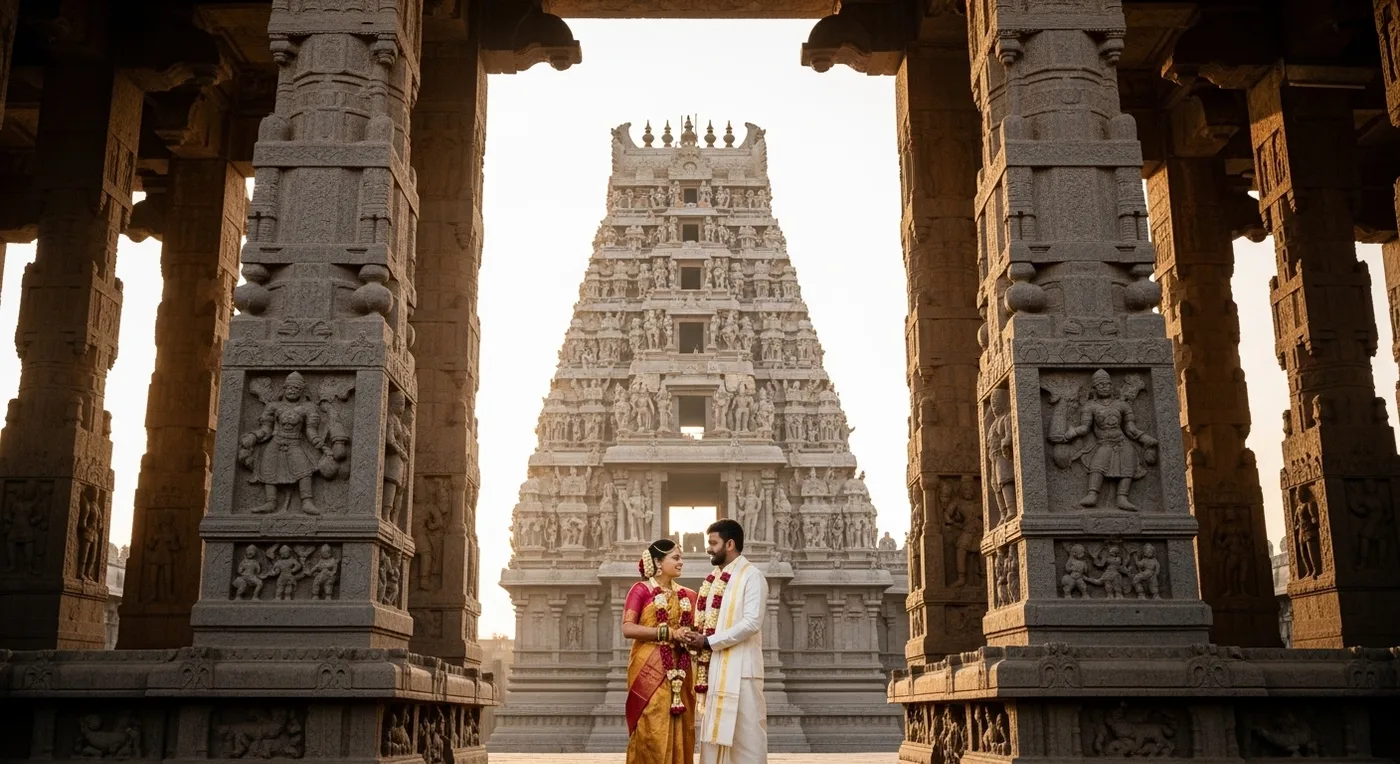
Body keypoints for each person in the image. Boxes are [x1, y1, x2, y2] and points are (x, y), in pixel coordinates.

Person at [683, 519, 769, 763]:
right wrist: (694, 637)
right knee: (712, 738)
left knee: (746, 738)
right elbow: (708, 622)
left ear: (730, 544)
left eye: (713, 543)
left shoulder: (752, 577)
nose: (708, 548)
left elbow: (752, 622)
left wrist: (709, 641)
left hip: (742, 672)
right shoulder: (712, 581)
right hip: (715, 669)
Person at [621, 538, 698, 764]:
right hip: (648, 668)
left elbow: (695, 630)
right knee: (650, 723)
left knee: (682, 725)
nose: (681, 562)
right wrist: (667, 634)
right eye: (676, 558)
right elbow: (628, 628)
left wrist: (689, 636)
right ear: (657, 561)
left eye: (681, 557)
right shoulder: (641, 590)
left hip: (680, 669)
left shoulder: (689, 595)